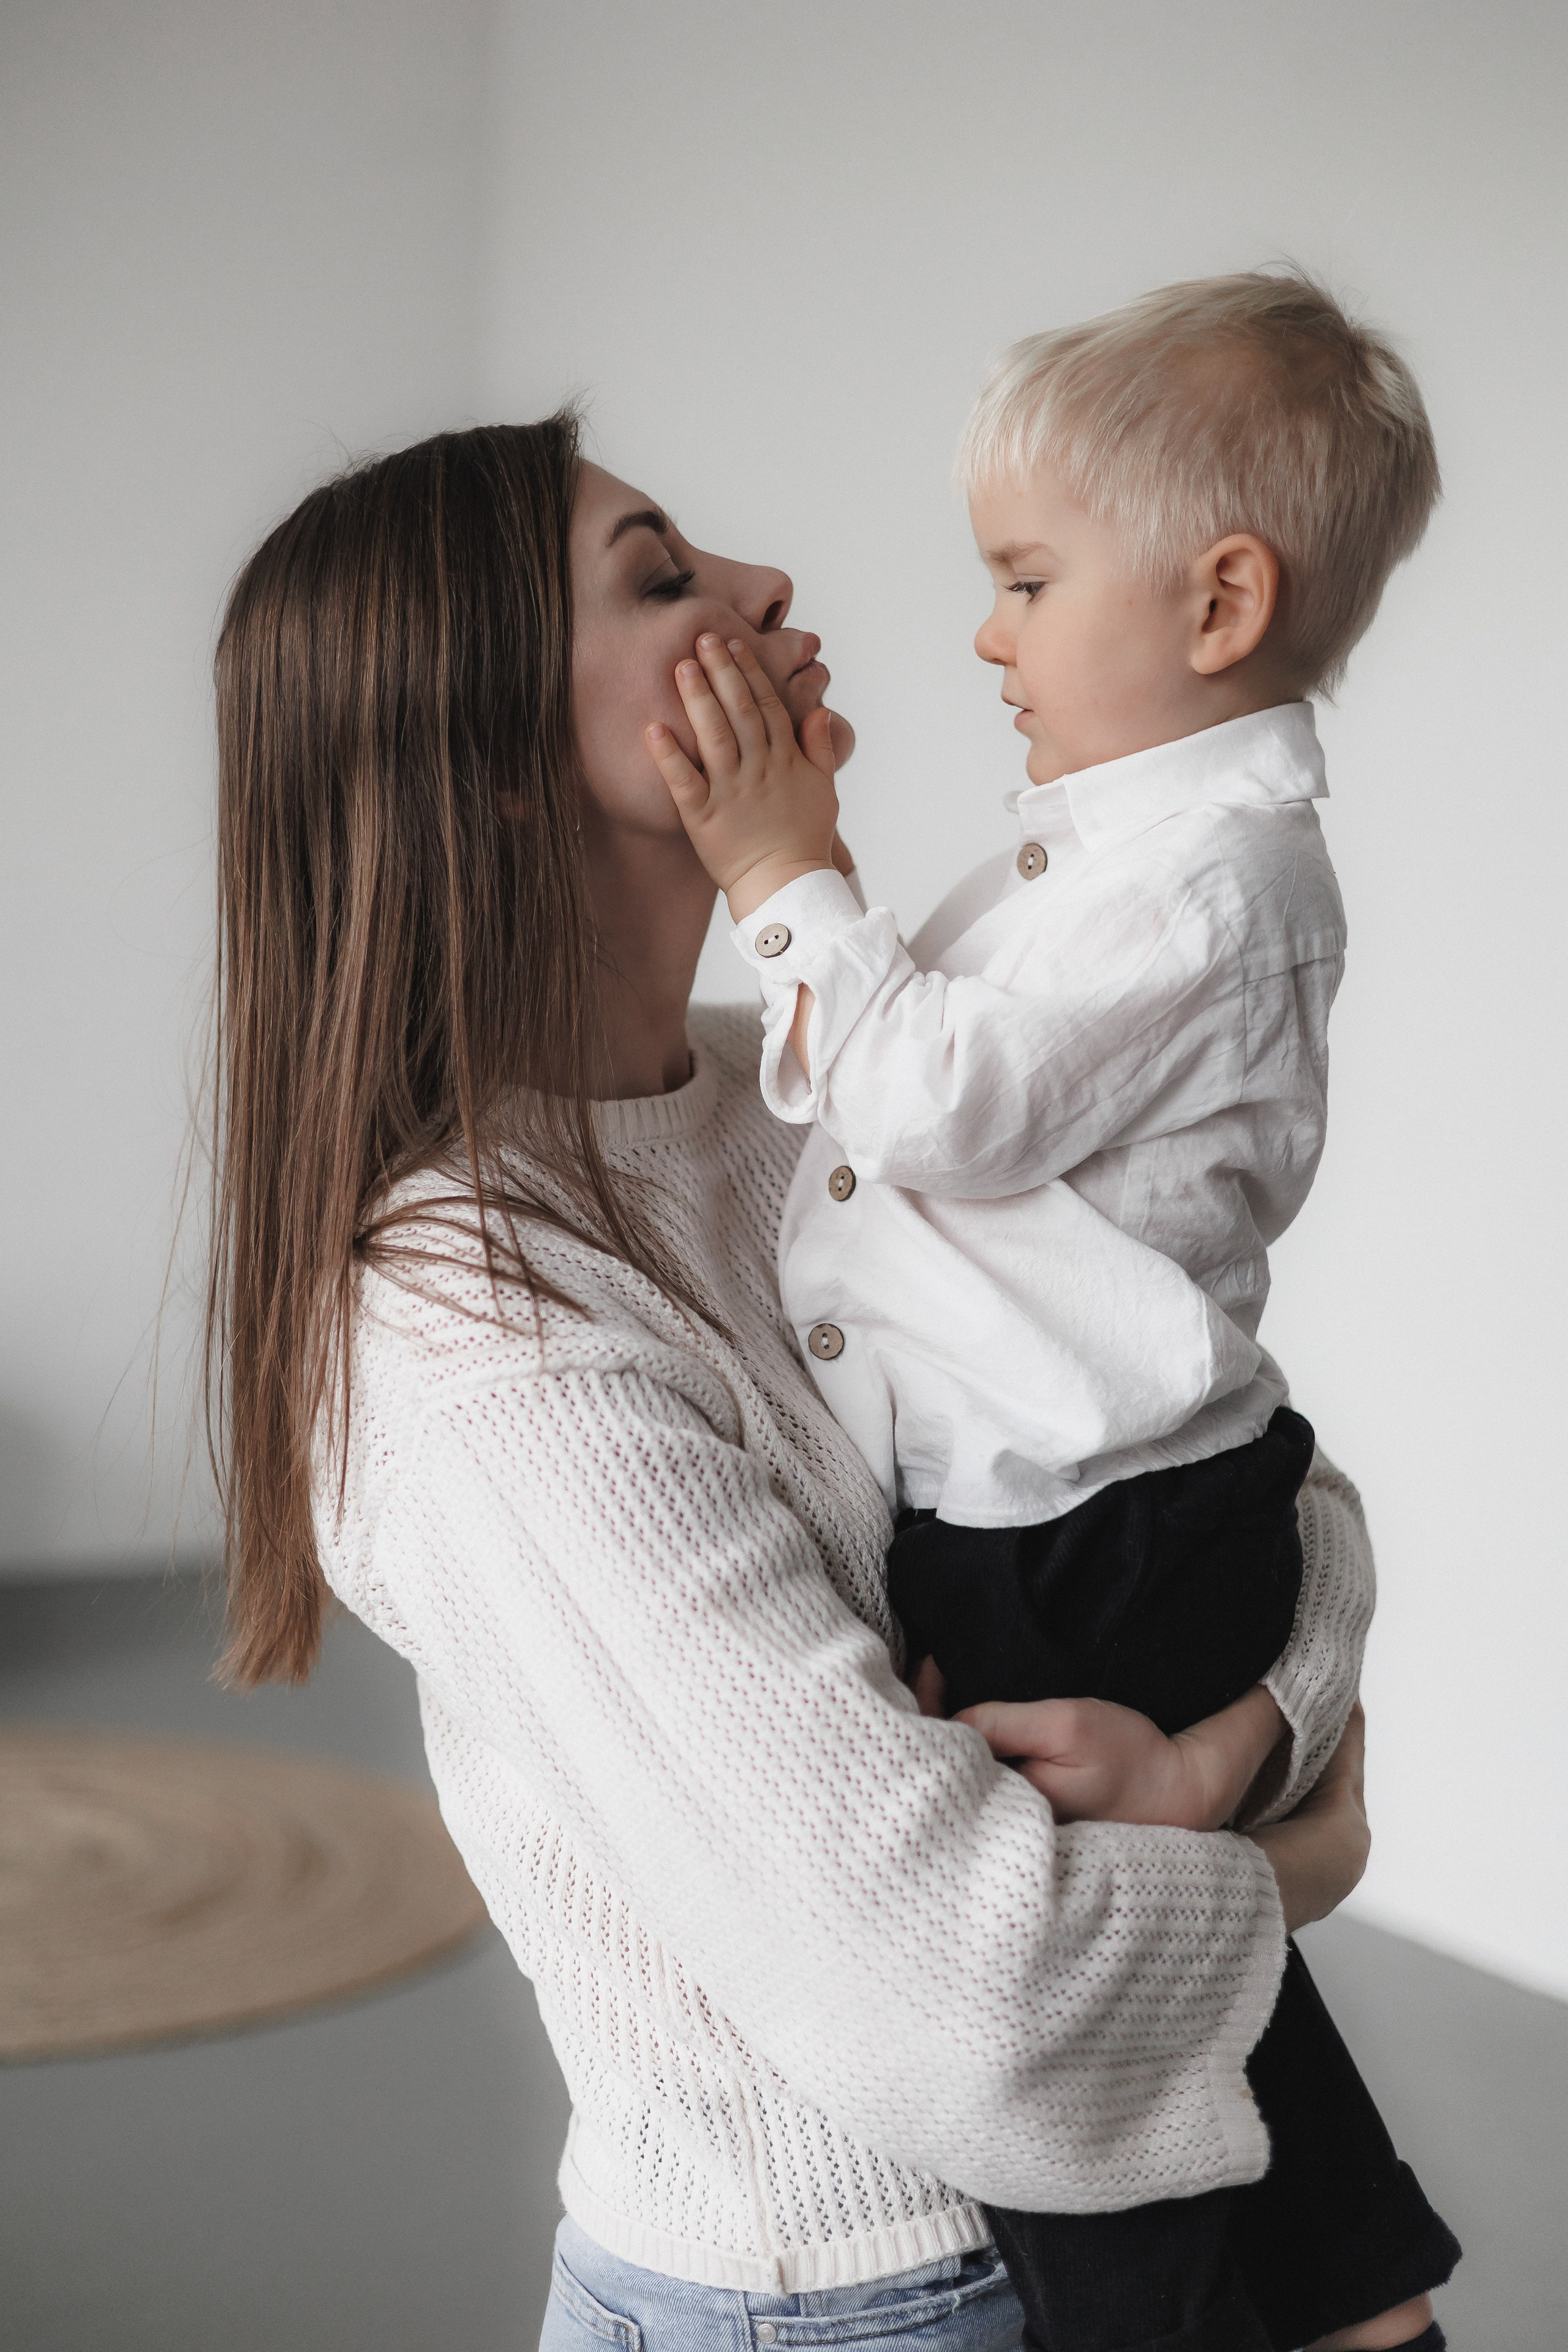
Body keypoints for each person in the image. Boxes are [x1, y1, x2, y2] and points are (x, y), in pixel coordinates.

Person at [208, 412, 1379, 2352]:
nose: (765, 589)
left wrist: (1238, 1746)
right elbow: (974, 1999)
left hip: (1117, 2219)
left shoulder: (823, 1103)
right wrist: (1301, 1855)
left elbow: (1261, 1481)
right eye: (663, 580)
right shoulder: (481, 1340)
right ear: (493, 768)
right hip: (857, 2300)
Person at [646, 273, 1457, 2351]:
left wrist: (783, 871)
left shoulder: (1203, 882)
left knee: (1079, 2064)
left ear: (1220, 602)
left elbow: (939, 1101)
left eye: (1023, 581)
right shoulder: (1135, 858)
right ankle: (1363, 2304)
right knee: (1202, 1990)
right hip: (1091, 1510)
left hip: (1087, 1532)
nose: (987, 636)